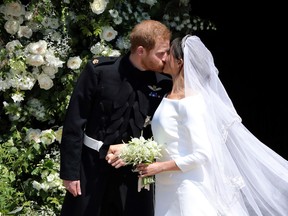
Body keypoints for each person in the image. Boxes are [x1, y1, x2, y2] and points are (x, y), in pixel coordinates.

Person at [108, 35, 288, 215]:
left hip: (188, 187)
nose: (164, 58)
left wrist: (160, 167)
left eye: (168, 54)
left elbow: (202, 154)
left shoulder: (192, 102)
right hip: (167, 187)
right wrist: (130, 151)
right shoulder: (168, 96)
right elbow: (168, 141)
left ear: (179, 62)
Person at [59, 19, 172, 216]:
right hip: (91, 167)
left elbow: (164, 131)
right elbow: (74, 123)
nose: (166, 58)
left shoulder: (163, 84)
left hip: (134, 173)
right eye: (160, 53)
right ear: (140, 51)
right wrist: (70, 173)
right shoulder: (100, 71)